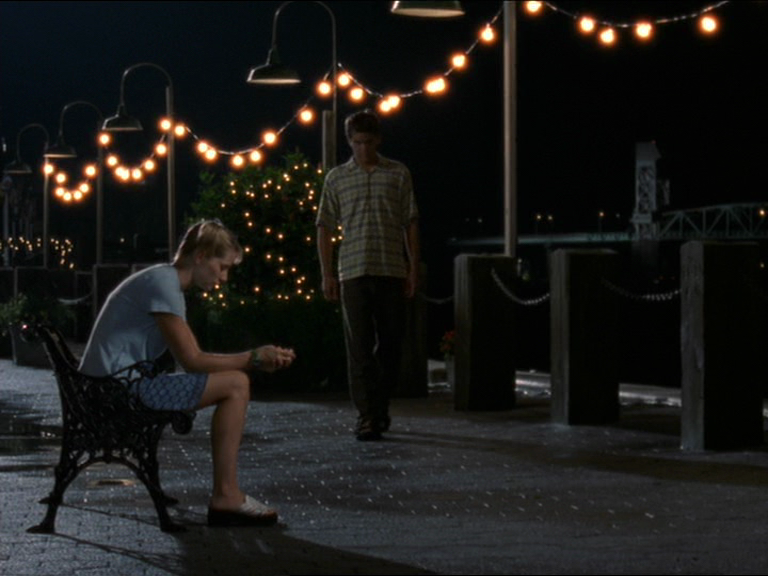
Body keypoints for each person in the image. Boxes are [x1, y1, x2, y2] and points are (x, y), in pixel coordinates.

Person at [79, 219, 296, 527]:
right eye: (221, 267)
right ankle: (226, 496)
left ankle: (227, 494)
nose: (223, 277)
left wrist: (255, 359)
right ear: (200, 255)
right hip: (116, 393)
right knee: (236, 384)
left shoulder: (162, 280)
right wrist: (254, 358)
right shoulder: (164, 285)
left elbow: (189, 361)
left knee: (235, 381)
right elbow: (192, 360)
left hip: (106, 387)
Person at [316, 109, 420, 441]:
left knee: (391, 344)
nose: (363, 149)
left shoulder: (397, 173)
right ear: (350, 141)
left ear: (378, 141)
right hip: (353, 269)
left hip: (390, 268)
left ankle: (379, 406)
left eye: (368, 142)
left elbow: (410, 221)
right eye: (358, 142)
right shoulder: (337, 178)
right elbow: (324, 226)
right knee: (358, 347)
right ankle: (367, 415)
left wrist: (413, 267)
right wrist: (327, 273)